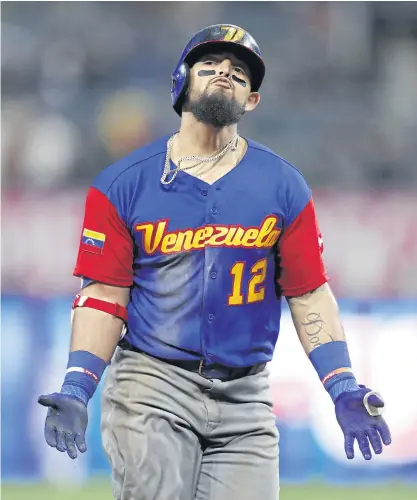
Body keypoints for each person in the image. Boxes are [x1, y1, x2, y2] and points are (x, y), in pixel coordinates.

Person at [38, 24, 391, 500]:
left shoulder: (284, 186)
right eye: (210, 65)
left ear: (252, 101)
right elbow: (103, 294)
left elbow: (308, 293)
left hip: (247, 397)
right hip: (152, 386)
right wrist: (79, 385)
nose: (225, 72)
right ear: (181, 83)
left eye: (240, 73)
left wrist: (342, 384)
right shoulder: (122, 184)